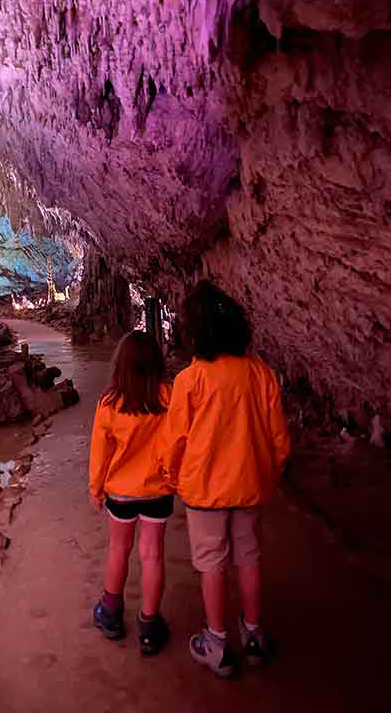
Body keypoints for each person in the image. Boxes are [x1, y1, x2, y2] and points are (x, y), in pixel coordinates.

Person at [160, 280, 291, 677]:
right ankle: (254, 635)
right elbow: (278, 437)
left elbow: (175, 440)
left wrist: (171, 478)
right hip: (250, 485)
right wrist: (270, 473)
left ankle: (216, 643)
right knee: (248, 557)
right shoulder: (261, 374)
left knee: (212, 563)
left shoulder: (190, 380)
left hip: (204, 490)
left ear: (193, 334)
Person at [89, 330, 173, 655]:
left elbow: (100, 453)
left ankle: (110, 615)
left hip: (121, 493)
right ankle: (149, 626)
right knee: (152, 555)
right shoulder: (169, 397)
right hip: (158, 490)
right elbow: (179, 441)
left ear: (120, 364)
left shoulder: (109, 403)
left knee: (118, 549)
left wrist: (96, 488)